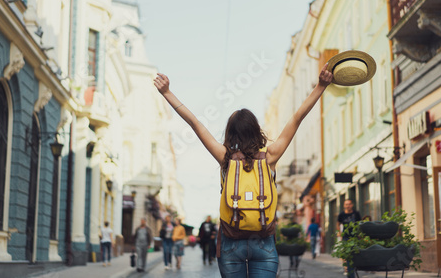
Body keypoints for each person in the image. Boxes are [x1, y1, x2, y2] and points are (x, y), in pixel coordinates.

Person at [154, 65, 333, 278]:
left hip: (231, 241)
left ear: (230, 133)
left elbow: (195, 123)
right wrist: (320, 86)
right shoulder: (270, 156)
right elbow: (297, 118)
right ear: (256, 130)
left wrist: (167, 93)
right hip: (263, 242)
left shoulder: (225, 158)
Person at [337, 199, 362, 277]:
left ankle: (350, 271)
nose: (348, 206)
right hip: (346, 238)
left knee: (354, 256)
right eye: (346, 204)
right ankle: (350, 273)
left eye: (349, 204)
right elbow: (338, 223)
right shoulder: (341, 215)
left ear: (352, 205)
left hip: (355, 237)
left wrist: (360, 234)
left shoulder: (356, 213)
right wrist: (339, 232)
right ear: (344, 206)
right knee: (348, 256)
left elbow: (360, 224)